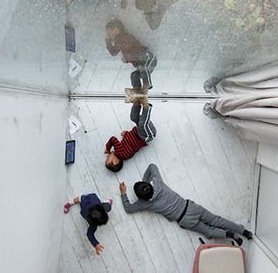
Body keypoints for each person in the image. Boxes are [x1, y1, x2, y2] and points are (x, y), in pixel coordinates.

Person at [119, 163, 253, 245]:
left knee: (208, 231)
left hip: (184, 220)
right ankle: (243, 231)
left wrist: (123, 193)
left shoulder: (144, 204)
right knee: (216, 220)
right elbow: (152, 166)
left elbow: (128, 208)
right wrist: (146, 182)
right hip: (191, 207)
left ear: (141, 198)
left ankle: (228, 235)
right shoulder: (158, 183)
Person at [105, 19, 157, 91]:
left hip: (147, 58)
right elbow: (124, 50)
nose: (109, 35)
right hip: (141, 62)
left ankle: (146, 86)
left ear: (116, 30)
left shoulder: (121, 37)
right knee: (134, 75)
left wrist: (108, 43)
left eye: (109, 32)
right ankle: (137, 90)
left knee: (143, 69)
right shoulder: (121, 40)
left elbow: (114, 52)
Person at [105, 102, 157, 172]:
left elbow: (131, 143)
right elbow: (113, 139)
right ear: (115, 162)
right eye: (108, 159)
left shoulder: (124, 154)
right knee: (142, 123)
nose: (108, 156)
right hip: (146, 135)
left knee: (133, 117)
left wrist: (126, 134)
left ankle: (137, 101)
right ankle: (147, 107)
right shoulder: (119, 152)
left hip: (141, 131)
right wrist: (108, 148)